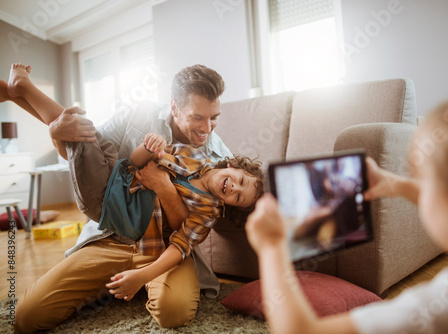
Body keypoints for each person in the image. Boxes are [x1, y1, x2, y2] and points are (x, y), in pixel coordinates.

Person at [2, 63, 260, 332]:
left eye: (214, 117)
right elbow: (87, 154)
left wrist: (165, 188)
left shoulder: (218, 160)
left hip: (161, 249)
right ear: (174, 108)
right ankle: (23, 89)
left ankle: (134, 283)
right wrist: (56, 133)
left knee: (174, 312)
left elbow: (189, 232)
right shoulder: (149, 122)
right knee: (26, 316)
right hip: (113, 231)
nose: (207, 128)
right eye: (198, 117)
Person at [245, 85, 448, 334]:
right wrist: (396, 184)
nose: (420, 186)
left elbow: (301, 330)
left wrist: (272, 248)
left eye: (424, 180)